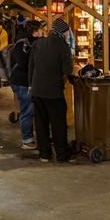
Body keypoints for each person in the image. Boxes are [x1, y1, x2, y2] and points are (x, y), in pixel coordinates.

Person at [28, 19, 75, 164]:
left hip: (36, 90)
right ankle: (62, 155)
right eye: (67, 31)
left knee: (41, 123)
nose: (68, 34)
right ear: (63, 32)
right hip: (53, 91)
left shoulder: (38, 43)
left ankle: (44, 154)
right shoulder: (63, 47)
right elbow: (67, 70)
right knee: (58, 123)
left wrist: (31, 85)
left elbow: (31, 67)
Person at [9, 20, 43, 149]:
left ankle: (35, 137)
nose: (43, 33)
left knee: (32, 110)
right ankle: (27, 140)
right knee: (27, 111)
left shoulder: (35, 43)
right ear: (35, 32)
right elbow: (23, 64)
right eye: (41, 30)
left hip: (29, 82)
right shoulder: (22, 44)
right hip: (22, 82)